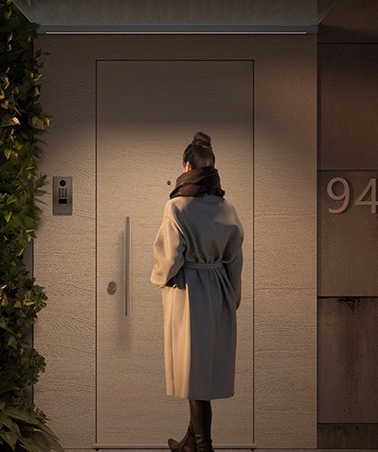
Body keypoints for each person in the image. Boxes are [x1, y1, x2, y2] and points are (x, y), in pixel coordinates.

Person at [150, 132, 244, 452]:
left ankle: (203, 446)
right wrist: (232, 298)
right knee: (203, 367)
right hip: (218, 289)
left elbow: (170, 258)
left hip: (189, 291)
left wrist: (159, 278)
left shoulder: (177, 207)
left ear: (187, 166)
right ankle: (192, 440)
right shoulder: (227, 208)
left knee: (192, 369)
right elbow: (235, 259)